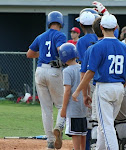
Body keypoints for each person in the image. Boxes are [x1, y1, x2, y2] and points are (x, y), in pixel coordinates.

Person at [72, 14, 126, 150]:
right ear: (116, 27)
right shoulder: (124, 47)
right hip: (119, 87)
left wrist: (78, 91)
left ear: (101, 27)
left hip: (104, 88)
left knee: (106, 126)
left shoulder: (97, 47)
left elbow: (89, 73)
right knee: (104, 124)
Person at [26, 11, 66, 149]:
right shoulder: (60, 35)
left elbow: (29, 54)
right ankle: (59, 127)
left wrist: (41, 53)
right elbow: (61, 50)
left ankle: (50, 141)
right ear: (61, 22)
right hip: (54, 71)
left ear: (49, 22)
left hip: (40, 71)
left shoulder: (41, 36)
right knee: (61, 105)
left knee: (46, 109)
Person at [76, 9, 98, 150]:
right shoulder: (100, 37)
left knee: (89, 114)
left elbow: (82, 67)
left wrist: (84, 91)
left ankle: (89, 146)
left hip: (88, 78)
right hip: (102, 79)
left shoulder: (81, 42)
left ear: (82, 26)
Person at [59, 43, 87, 150]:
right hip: (83, 107)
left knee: (75, 133)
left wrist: (63, 108)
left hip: (72, 108)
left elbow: (67, 91)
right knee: (82, 132)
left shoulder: (67, 71)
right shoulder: (81, 67)